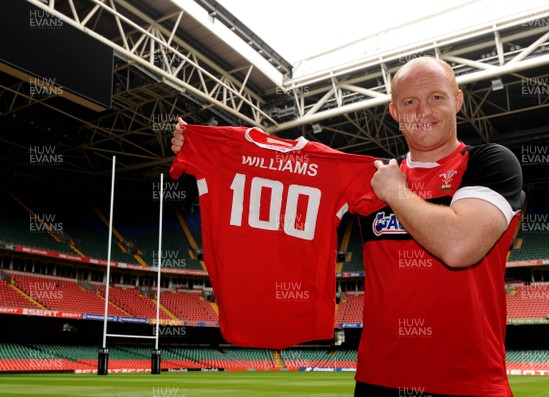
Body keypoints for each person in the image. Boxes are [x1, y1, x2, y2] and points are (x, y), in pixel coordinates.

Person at [171, 56, 525, 397]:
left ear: (458, 100)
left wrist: (396, 193)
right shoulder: (368, 178)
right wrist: (205, 148)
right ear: (394, 112)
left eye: (436, 97)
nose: (422, 112)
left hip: (469, 384)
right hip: (377, 380)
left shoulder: (490, 162)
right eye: (409, 102)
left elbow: (460, 246)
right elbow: (289, 170)